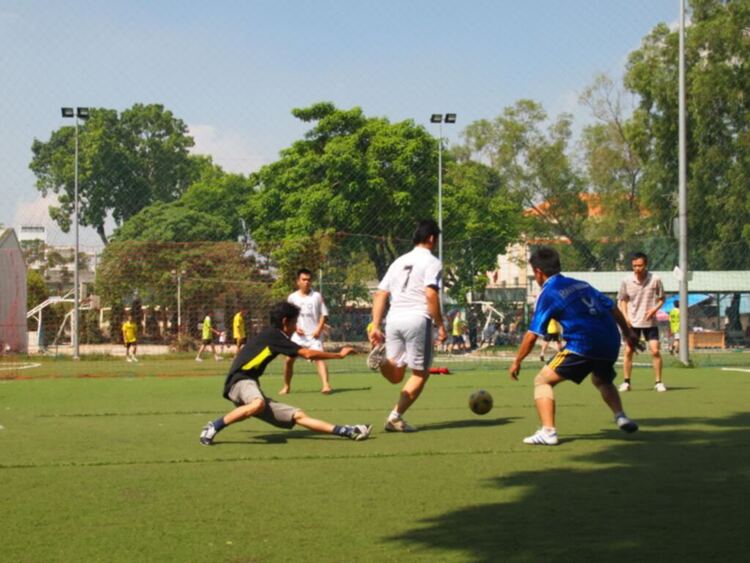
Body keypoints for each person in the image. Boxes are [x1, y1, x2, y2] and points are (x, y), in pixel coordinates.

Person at [509, 247, 641, 446]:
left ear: (538, 272)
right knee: (601, 380)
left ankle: (548, 432)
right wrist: (628, 332)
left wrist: (517, 361)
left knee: (542, 381)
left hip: (583, 343)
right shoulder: (581, 284)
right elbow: (611, 306)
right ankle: (621, 416)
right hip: (610, 340)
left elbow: (532, 335)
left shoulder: (549, 293)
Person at [199, 301, 371, 445]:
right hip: (239, 382)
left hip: (249, 385)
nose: (296, 326)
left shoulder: (275, 336)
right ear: (285, 322)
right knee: (258, 404)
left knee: (298, 416)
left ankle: (346, 431)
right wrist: (339, 355)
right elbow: (307, 354)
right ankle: (213, 426)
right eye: (295, 322)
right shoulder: (275, 336)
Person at [367, 219, 447, 432]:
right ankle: (395, 417)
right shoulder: (432, 262)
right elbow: (430, 294)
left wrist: (375, 325)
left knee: (396, 375)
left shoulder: (398, 261)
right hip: (417, 319)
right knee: (420, 373)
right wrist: (440, 325)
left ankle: (382, 360)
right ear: (431, 238)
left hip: (393, 319)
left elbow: (380, 293)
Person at [617, 252, 667, 392]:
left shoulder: (655, 279)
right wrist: (625, 317)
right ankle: (626, 382)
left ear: (645, 265)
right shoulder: (626, 281)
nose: (637, 268)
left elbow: (662, 298)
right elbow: (622, 300)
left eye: (640, 265)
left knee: (655, 351)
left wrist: (653, 310)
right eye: (634, 266)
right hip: (633, 323)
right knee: (628, 351)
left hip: (650, 323)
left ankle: (658, 382)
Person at [280, 269, 332, 395]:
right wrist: (295, 327)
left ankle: (326, 385)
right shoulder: (292, 297)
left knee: (319, 359)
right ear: (298, 281)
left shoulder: (317, 296)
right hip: (298, 337)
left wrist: (318, 330)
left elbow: (324, 315)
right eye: (304, 279)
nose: (307, 282)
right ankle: (286, 386)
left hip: (314, 336)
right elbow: (288, 316)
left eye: (309, 280)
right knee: (288, 360)